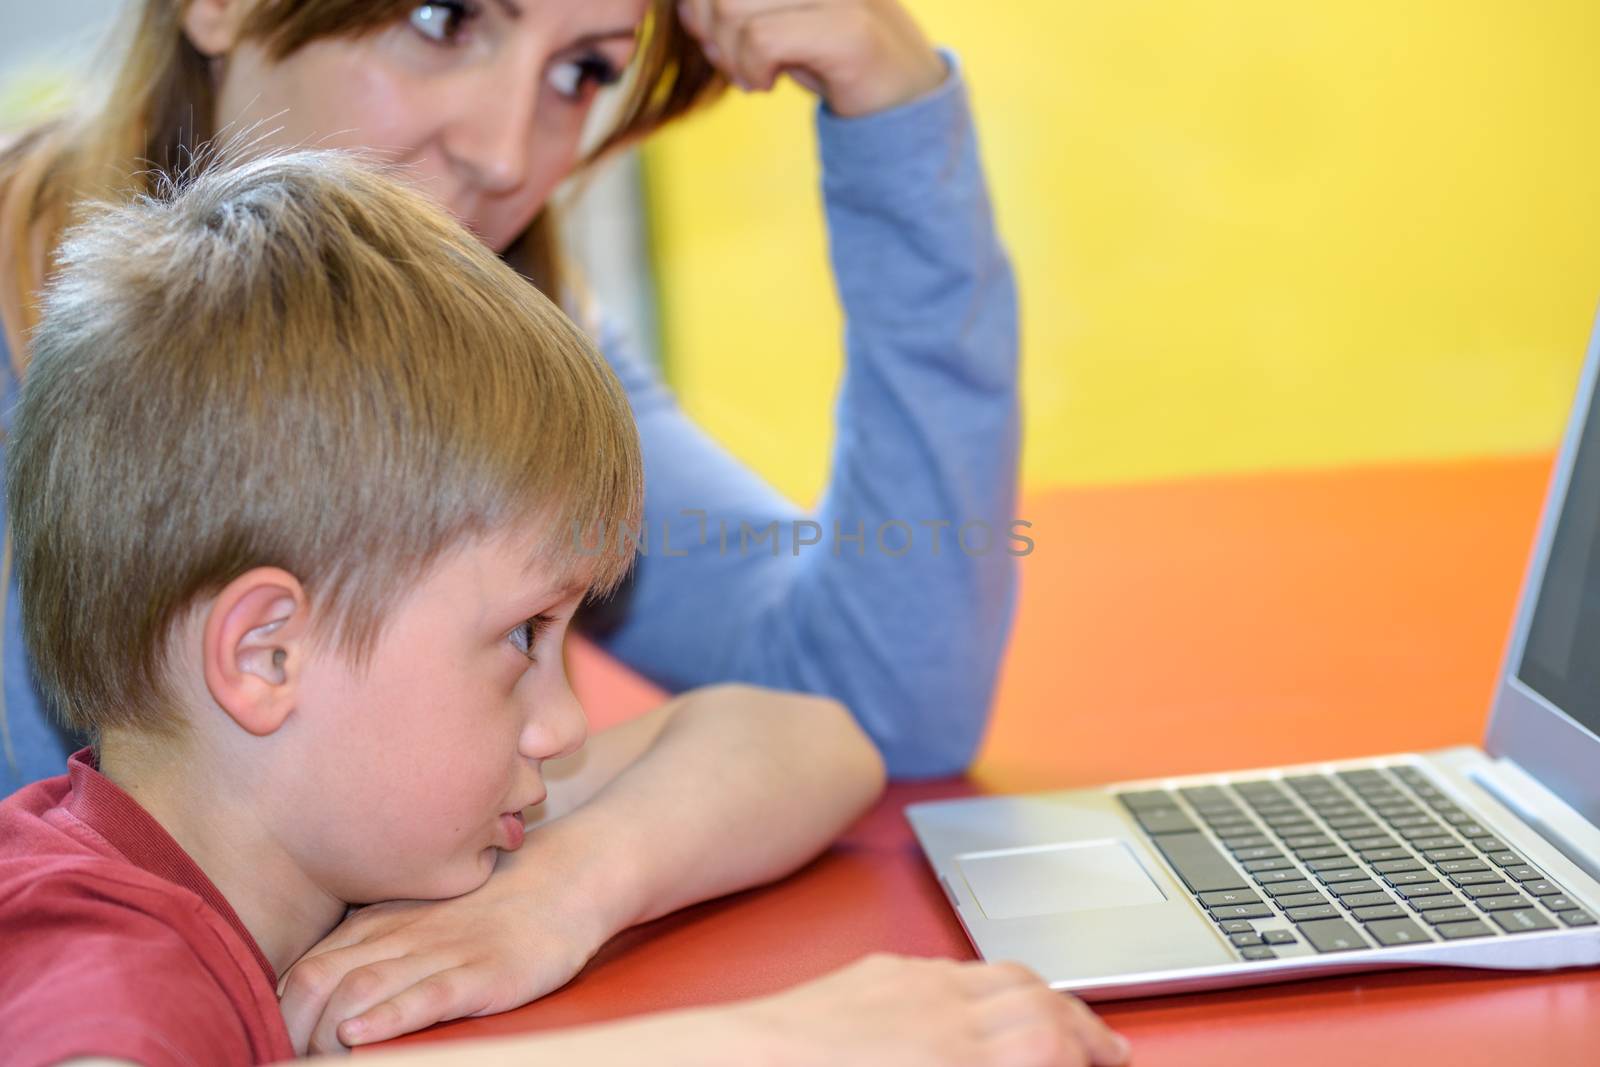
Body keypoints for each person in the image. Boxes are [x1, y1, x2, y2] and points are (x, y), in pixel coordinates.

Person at [0, 0, 1020, 1047]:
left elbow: (855, 706)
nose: (500, 152)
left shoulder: (449, 384)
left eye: (581, 69)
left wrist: (554, 891)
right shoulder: (103, 920)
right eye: (446, 17)